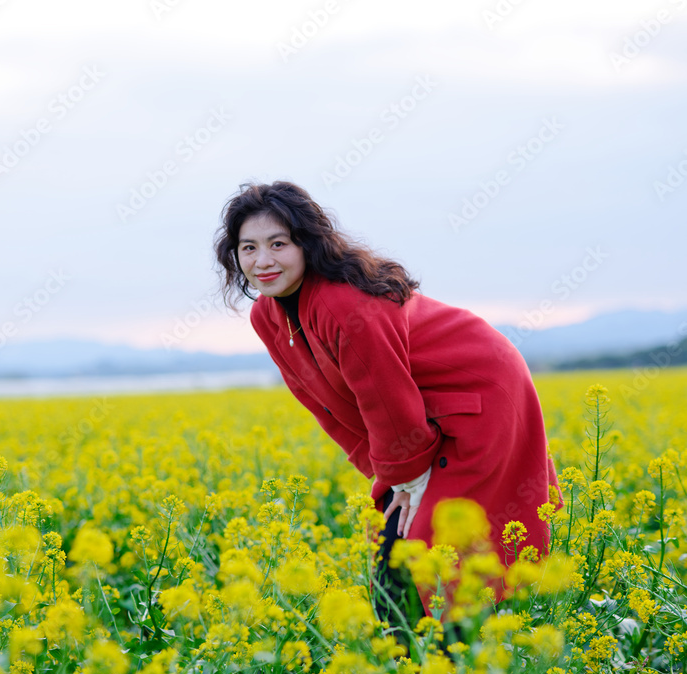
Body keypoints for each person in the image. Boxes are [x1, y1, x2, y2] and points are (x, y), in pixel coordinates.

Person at [213, 180, 561, 624]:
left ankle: (466, 649)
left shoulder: (342, 302)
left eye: (278, 243)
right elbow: (326, 406)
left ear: (307, 243)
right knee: (397, 536)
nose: (262, 261)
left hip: (478, 393)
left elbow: (384, 397)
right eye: (249, 248)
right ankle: (426, 655)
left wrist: (408, 475)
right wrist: (388, 474)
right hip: (420, 411)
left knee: (438, 538)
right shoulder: (267, 315)